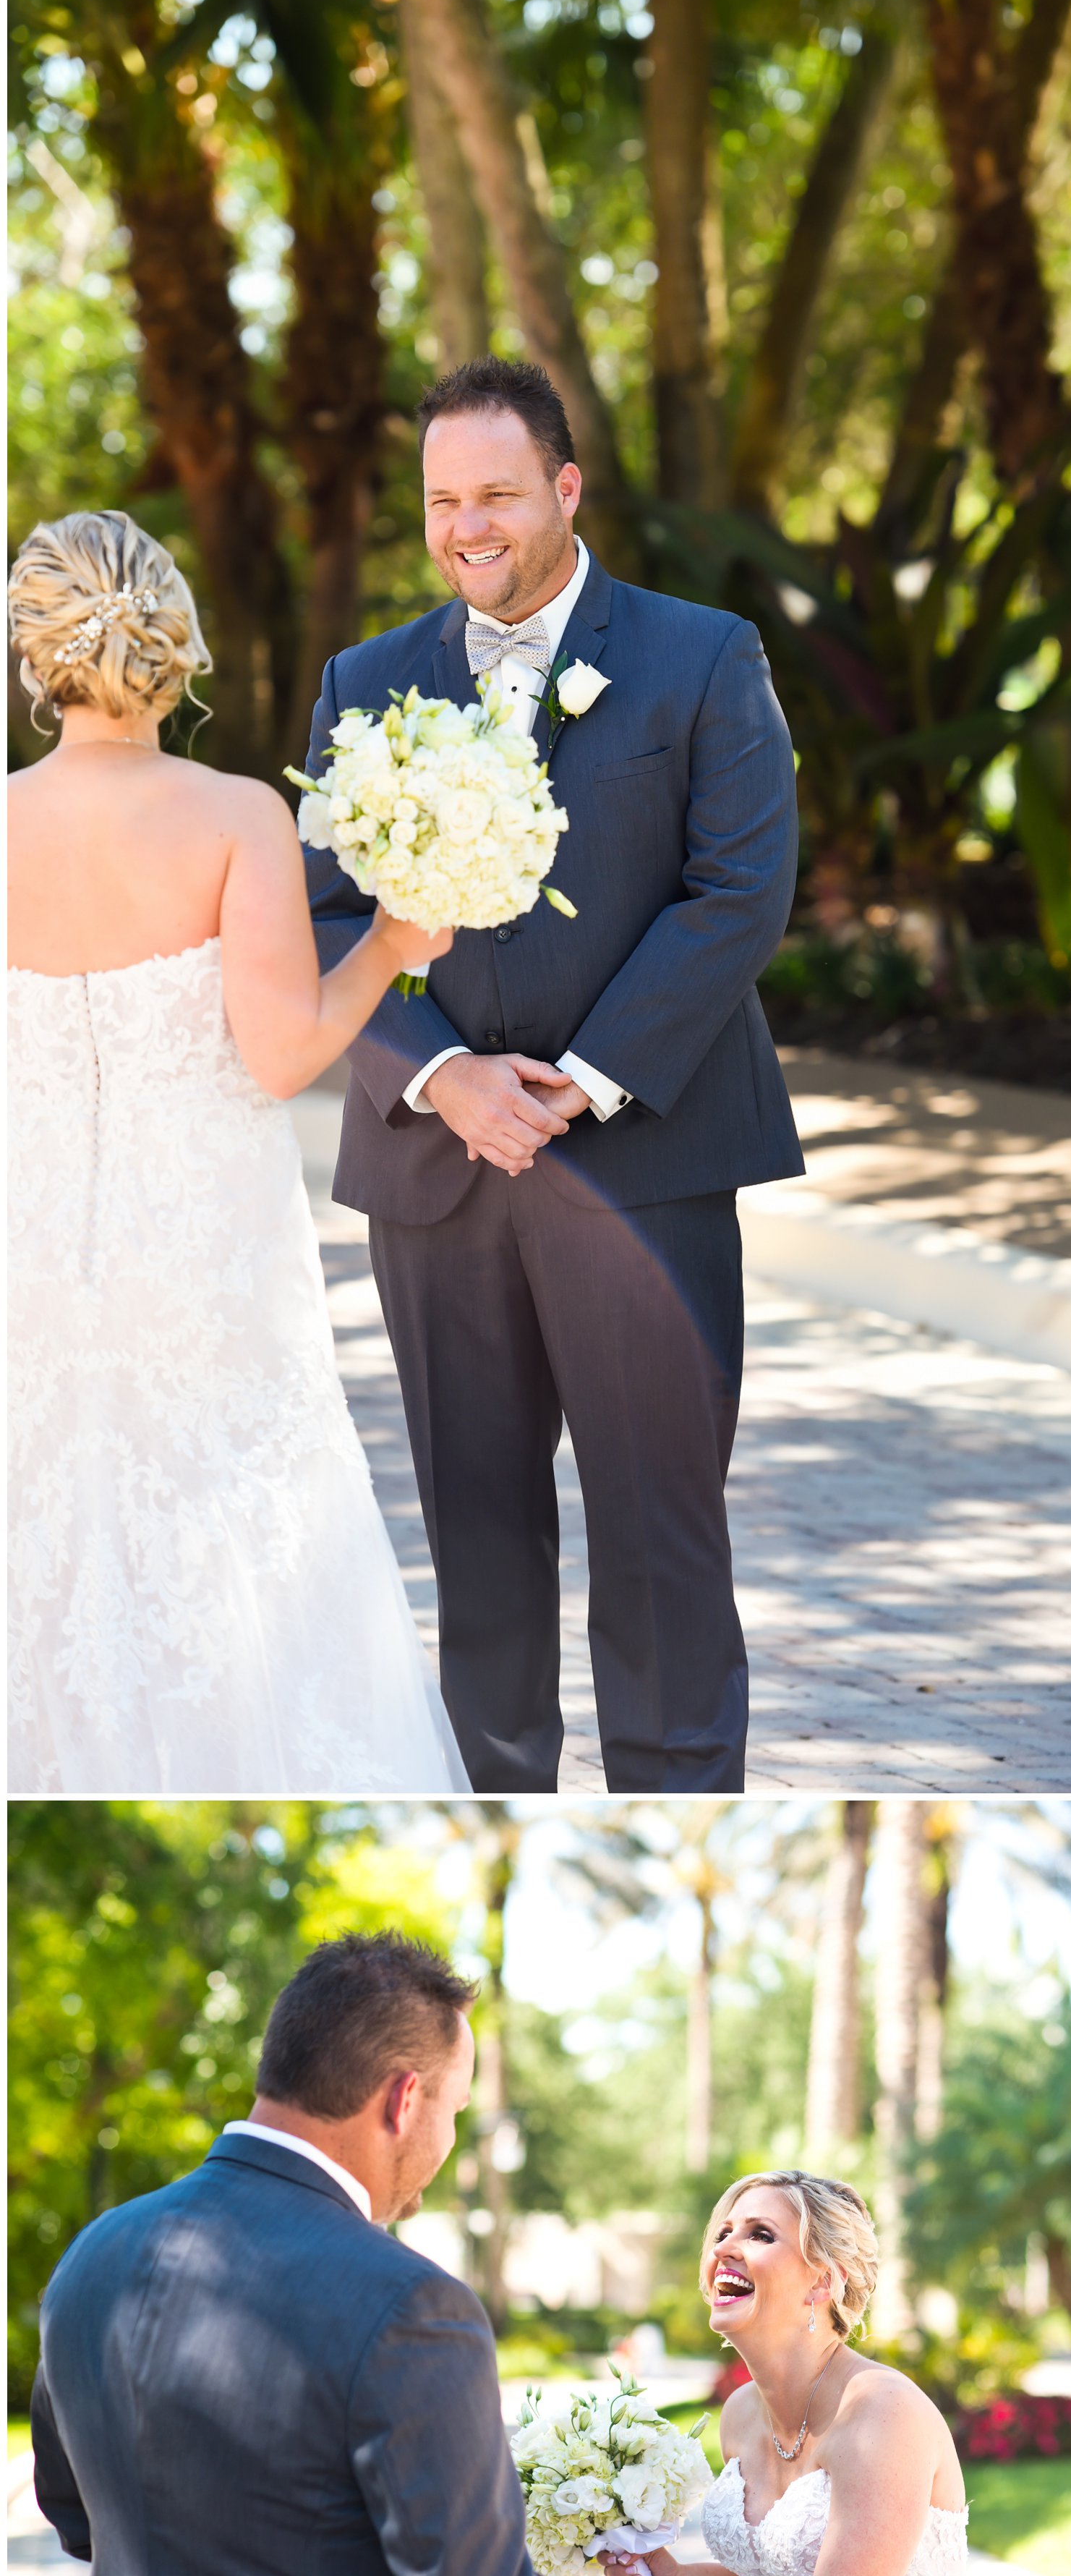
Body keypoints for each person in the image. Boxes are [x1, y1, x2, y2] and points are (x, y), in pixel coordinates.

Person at [305, 354, 803, 1795]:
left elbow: (739, 891)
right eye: (443, 500)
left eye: (499, 494)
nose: (468, 526)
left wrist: (582, 1079)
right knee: (479, 1542)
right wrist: (445, 1072)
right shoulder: (367, 681)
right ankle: (496, 1804)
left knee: (660, 1537)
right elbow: (326, 914)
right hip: (438, 1175)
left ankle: (673, 1792)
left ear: (567, 488)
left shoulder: (704, 658)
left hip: (642, 1165)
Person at [7, 506, 467, 1795]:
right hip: (205, 1263)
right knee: (239, 1553)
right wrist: (390, 942)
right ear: (174, 637)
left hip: (31, 1257)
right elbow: (277, 1054)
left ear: (36, 654)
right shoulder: (232, 813)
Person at [30, 1931, 566, 2576]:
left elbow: (73, 2514)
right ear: (406, 2099)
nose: (449, 2139)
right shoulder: (412, 2307)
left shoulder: (91, 2255)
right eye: (456, 2108)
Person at [602, 2174, 968, 2576]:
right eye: (723, 2233)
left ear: (822, 2281)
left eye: (760, 2234)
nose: (726, 2248)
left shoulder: (883, 2414)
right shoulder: (740, 2415)